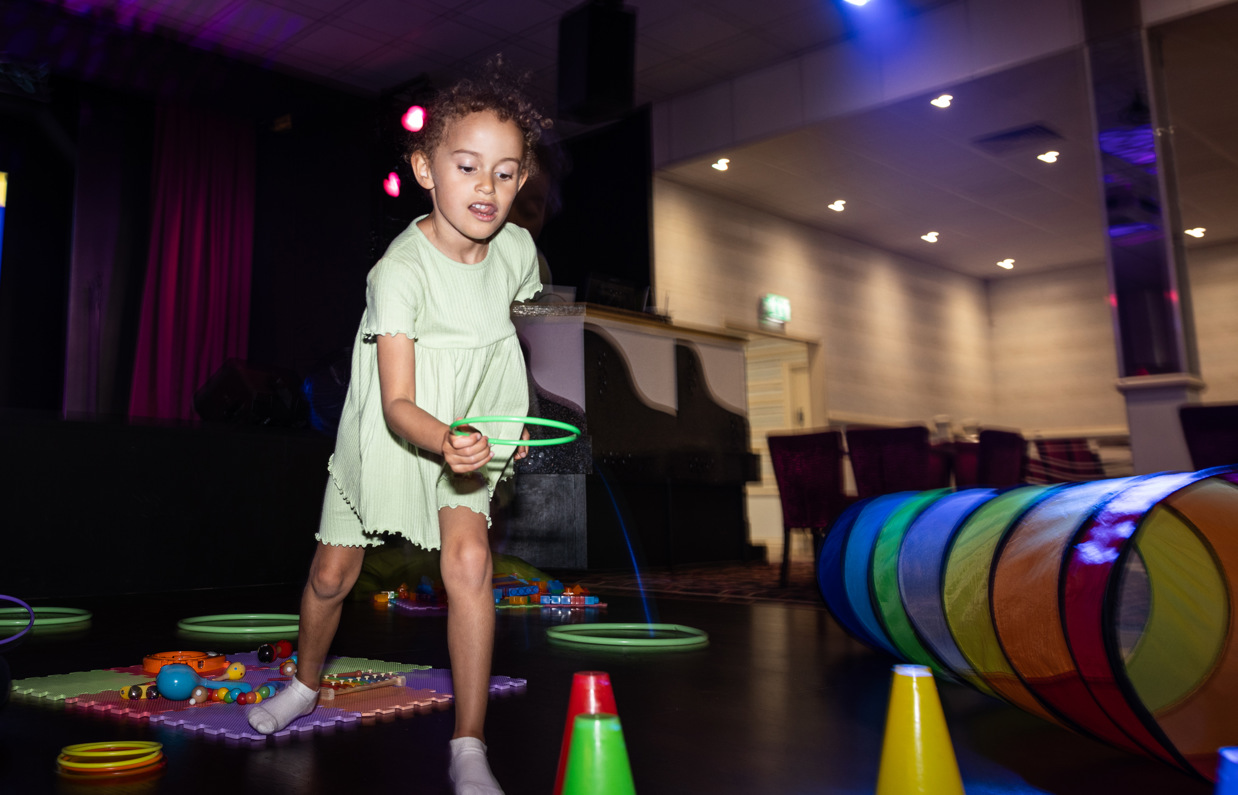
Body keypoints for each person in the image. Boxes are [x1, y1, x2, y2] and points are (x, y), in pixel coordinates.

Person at [247, 60, 550, 795]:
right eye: (469, 166)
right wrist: (439, 433)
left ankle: (469, 744)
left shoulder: (516, 252)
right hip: (393, 426)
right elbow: (396, 402)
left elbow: (496, 338)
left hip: (466, 434)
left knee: (471, 563)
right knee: (331, 574)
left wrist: (477, 432)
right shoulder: (398, 273)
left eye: (507, 173)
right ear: (424, 167)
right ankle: (305, 681)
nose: (489, 187)